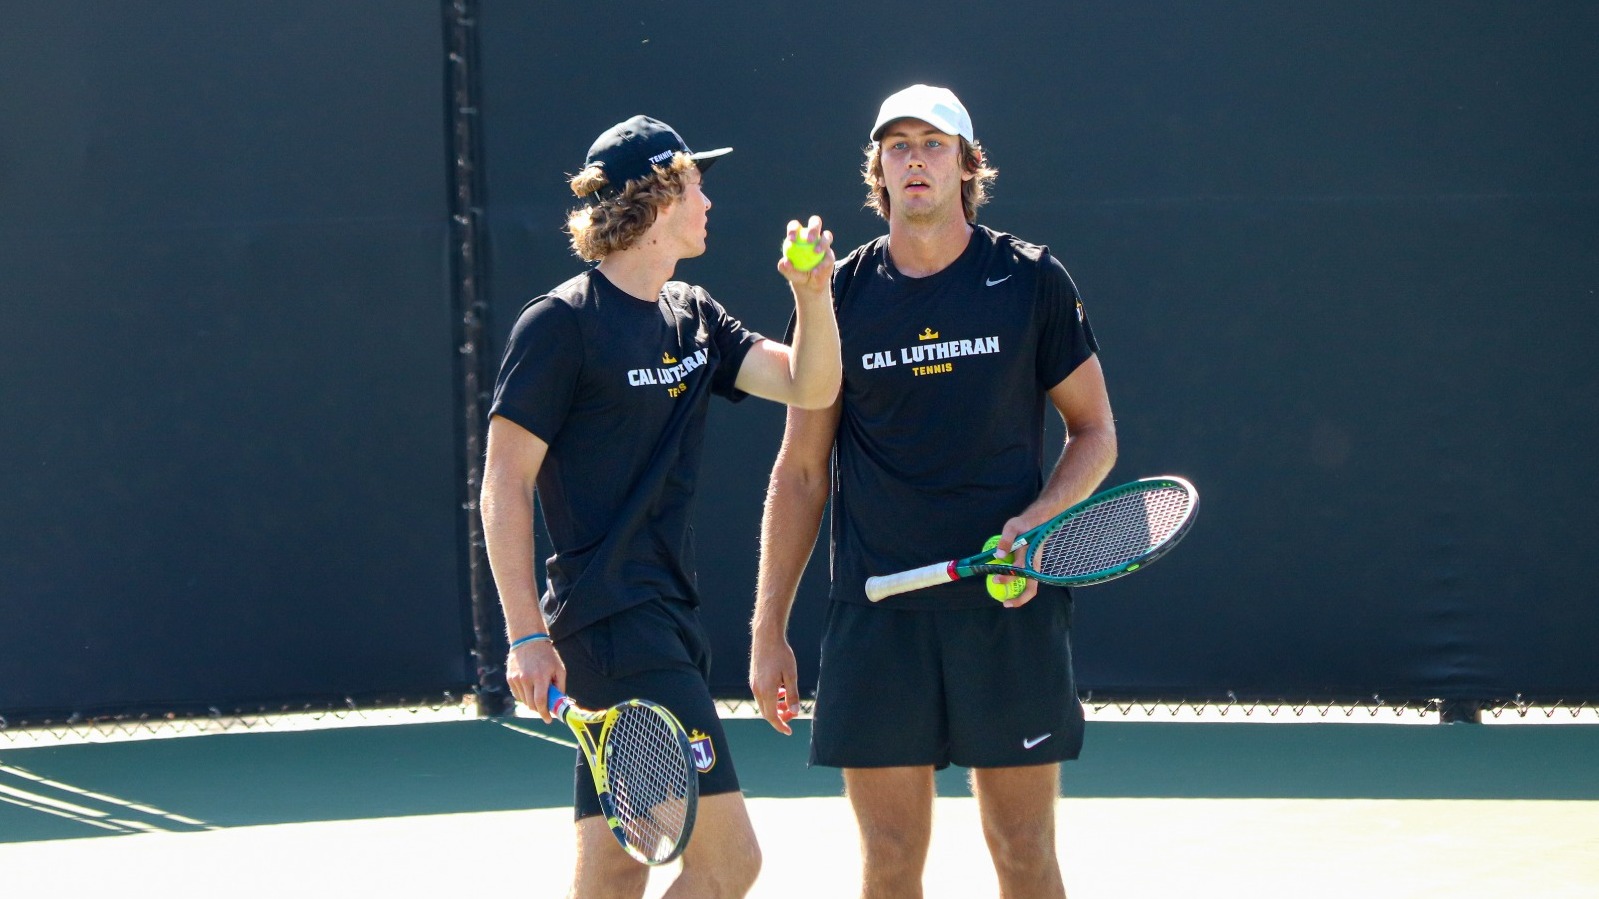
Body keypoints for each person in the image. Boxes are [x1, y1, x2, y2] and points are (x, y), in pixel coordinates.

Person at [749, 85, 1117, 898]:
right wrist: (768, 625)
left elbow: (1094, 434)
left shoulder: (1030, 279)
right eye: (897, 146)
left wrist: (1036, 519)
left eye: (934, 144)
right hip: (877, 620)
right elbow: (801, 469)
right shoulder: (837, 294)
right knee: (887, 858)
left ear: (966, 164)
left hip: (1007, 609)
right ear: (878, 169)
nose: (915, 159)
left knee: (1023, 851)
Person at [482, 114, 840, 899]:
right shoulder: (560, 324)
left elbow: (808, 385)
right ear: (654, 196)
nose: (707, 198)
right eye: (693, 182)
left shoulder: (694, 315)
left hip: (664, 619)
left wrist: (812, 297)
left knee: (614, 865)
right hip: (614, 625)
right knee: (729, 861)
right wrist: (523, 634)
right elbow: (503, 482)